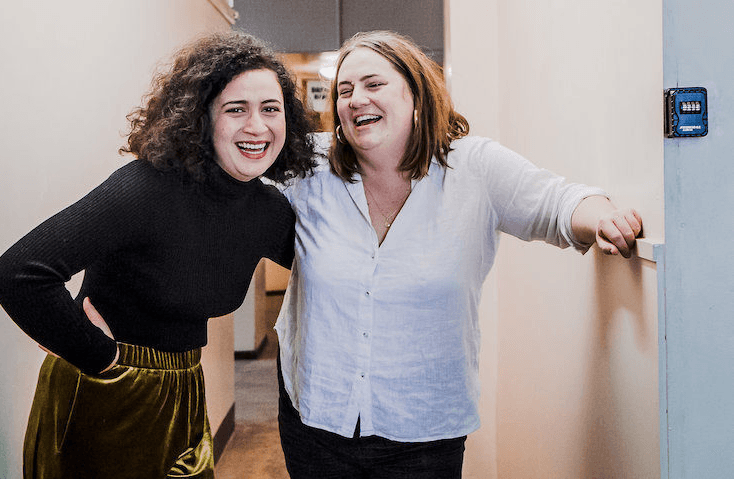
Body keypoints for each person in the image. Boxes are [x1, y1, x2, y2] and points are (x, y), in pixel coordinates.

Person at [275, 31, 643, 479]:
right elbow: (237, 177)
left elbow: (559, 201)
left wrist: (604, 218)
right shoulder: (310, 166)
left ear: (415, 94)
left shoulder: (474, 168)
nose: (355, 100)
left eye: (374, 84)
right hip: (316, 419)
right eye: (345, 90)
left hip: (424, 432)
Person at [0, 31, 315, 479]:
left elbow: (334, 268)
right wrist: (98, 355)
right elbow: (19, 274)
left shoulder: (266, 210)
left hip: (186, 389)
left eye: (271, 109)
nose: (257, 126)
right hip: (103, 394)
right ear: (201, 118)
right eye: (236, 109)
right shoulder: (147, 188)